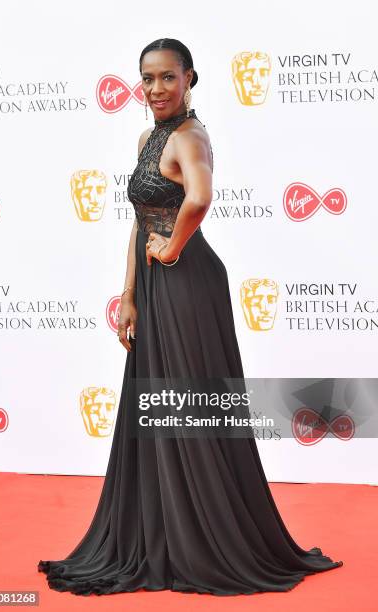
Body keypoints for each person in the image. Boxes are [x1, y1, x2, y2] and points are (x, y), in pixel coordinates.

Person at [37, 38, 343, 596]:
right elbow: (139, 220)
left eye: (167, 78)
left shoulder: (190, 136)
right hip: (156, 285)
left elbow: (199, 198)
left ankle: (205, 537)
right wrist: (128, 292)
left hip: (188, 285)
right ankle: (164, 532)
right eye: (147, 78)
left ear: (190, 79)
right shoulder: (148, 137)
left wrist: (173, 248)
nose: (156, 89)